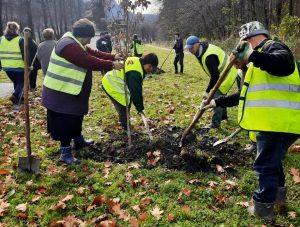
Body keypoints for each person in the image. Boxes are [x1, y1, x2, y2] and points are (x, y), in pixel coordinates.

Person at [202, 21, 299, 222]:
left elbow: (285, 64)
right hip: (284, 122)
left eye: (243, 42)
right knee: (273, 162)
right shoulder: (259, 61)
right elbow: (244, 95)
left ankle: (263, 208)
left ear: (248, 39)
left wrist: (251, 55)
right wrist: (217, 102)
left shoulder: (272, 48)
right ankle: (279, 199)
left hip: (276, 122)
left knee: (264, 165)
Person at [42, 18, 123, 164]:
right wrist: (112, 64)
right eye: (89, 37)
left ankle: (78, 141)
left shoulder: (77, 42)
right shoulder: (68, 45)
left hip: (71, 91)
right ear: (83, 35)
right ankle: (65, 152)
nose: (90, 41)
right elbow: (88, 61)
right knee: (65, 122)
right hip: (60, 92)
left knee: (76, 116)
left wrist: (113, 56)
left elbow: (94, 53)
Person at [185, 35, 238, 129]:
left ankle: (215, 123)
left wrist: (207, 91)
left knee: (215, 97)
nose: (190, 50)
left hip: (227, 75)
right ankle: (223, 116)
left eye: (191, 47)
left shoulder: (209, 56)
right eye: (188, 48)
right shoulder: (200, 50)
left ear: (197, 44)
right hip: (224, 74)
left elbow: (215, 76)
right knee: (222, 96)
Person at [102, 53, 158, 130]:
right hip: (111, 83)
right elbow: (135, 92)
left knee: (127, 101)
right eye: (150, 67)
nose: (151, 70)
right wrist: (140, 108)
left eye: (153, 68)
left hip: (113, 80)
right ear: (146, 63)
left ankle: (124, 122)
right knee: (124, 104)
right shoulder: (135, 73)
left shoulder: (137, 61)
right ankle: (125, 126)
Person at [0, 22, 24, 105]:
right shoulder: (20, 40)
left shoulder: (1, 39)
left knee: (16, 82)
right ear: (17, 29)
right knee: (22, 82)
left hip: (6, 67)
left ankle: (18, 99)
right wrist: (28, 65)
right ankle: (15, 95)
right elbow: (25, 54)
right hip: (19, 66)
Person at [23, 27, 40, 91]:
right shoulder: (22, 41)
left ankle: (32, 87)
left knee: (32, 75)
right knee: (25, 76)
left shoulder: (32, 42)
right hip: (25, 62)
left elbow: (36, 52)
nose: (27, 33)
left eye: (28, 32)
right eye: (25, 32)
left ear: (30, 33)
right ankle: (27, 88)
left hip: (33, 62)